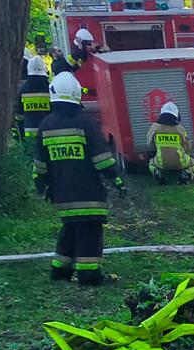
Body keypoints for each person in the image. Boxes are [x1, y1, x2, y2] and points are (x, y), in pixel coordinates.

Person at [33, 72, 126, 285]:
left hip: (63, 195)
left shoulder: (45, 125)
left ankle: (59, 269)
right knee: (90, 232)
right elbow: (102, 158)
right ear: (76, 95)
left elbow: (40, 164)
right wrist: (117, 180)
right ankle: (89, 274)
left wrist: (42, 183)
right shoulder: (85, 123)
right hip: (88, 194)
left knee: (70, 228)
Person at [148, 102, 194, 183]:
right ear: (176, 115)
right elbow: (187, 147)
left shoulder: (155, 127)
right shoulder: (180, 129)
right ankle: (186, 175)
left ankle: (158, 174)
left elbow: (150, 143)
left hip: (161, 163)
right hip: (181, 163)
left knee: (151, 163)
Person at [18, 54, 51, 140]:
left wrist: (21, 133)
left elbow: (19, 114)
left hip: (29, 132)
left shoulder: (23, 89)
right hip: (48, 131)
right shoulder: (49, 88)